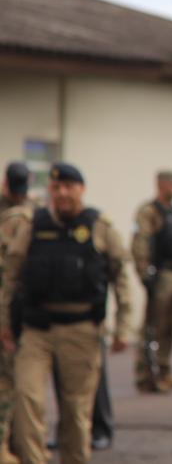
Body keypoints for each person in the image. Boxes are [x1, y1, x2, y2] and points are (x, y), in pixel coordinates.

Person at [0, 162, 131, 464]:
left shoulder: (100, 227)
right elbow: (10, 275)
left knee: (75, 411)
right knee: (26, 397)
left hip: (81, 330)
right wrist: (5, 323)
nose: (62, 193)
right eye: (56, 187)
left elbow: (121, 276)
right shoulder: (33, 224)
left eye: (69, 187)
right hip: (37, 331)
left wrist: (123, 327)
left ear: (81, 189)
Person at [132, 170, 172, 393]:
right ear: (162, 185)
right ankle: (145, 375)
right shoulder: (149, 212)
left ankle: (164, 370)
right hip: (159, 274)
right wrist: (145, 274)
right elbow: (140, 243)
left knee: (169, 326)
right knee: (152, 327)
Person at [0, 162, 33, 464]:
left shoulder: (17, 217)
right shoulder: (27, 217)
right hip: (13, 309)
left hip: (15, 309)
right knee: (9, 382)